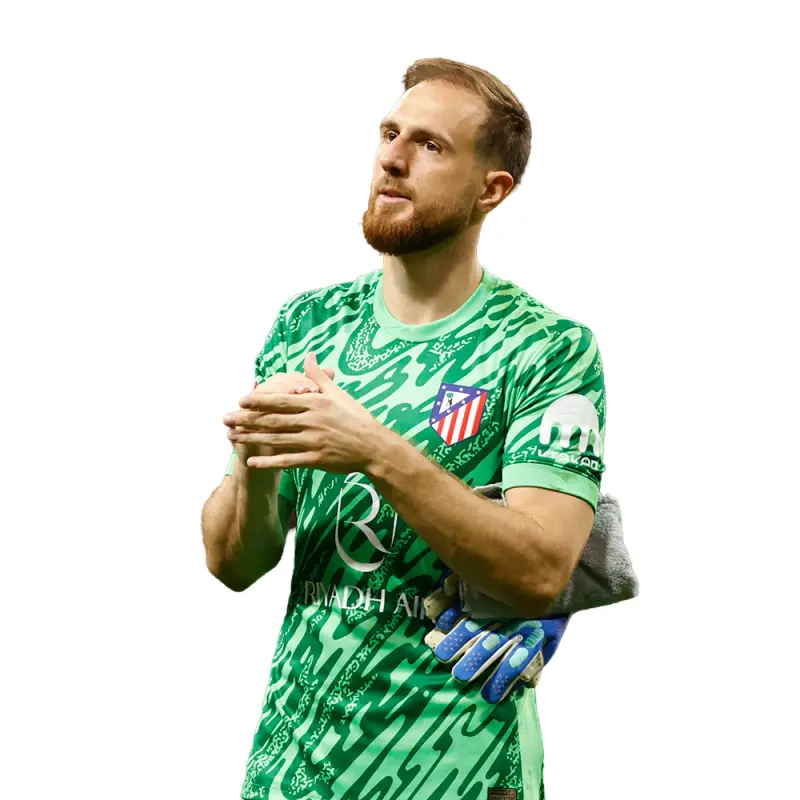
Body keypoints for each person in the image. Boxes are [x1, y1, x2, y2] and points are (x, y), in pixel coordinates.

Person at [201, 57, 606, 800]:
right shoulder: (309, 323)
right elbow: (232, 563)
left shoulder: (547, 347)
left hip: (457, 769)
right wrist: (252, 456)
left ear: (491, 190)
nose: (392, 157)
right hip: (292, 771)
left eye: (431, 145)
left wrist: (373, 451)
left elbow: (543, 569)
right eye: (390, 133)